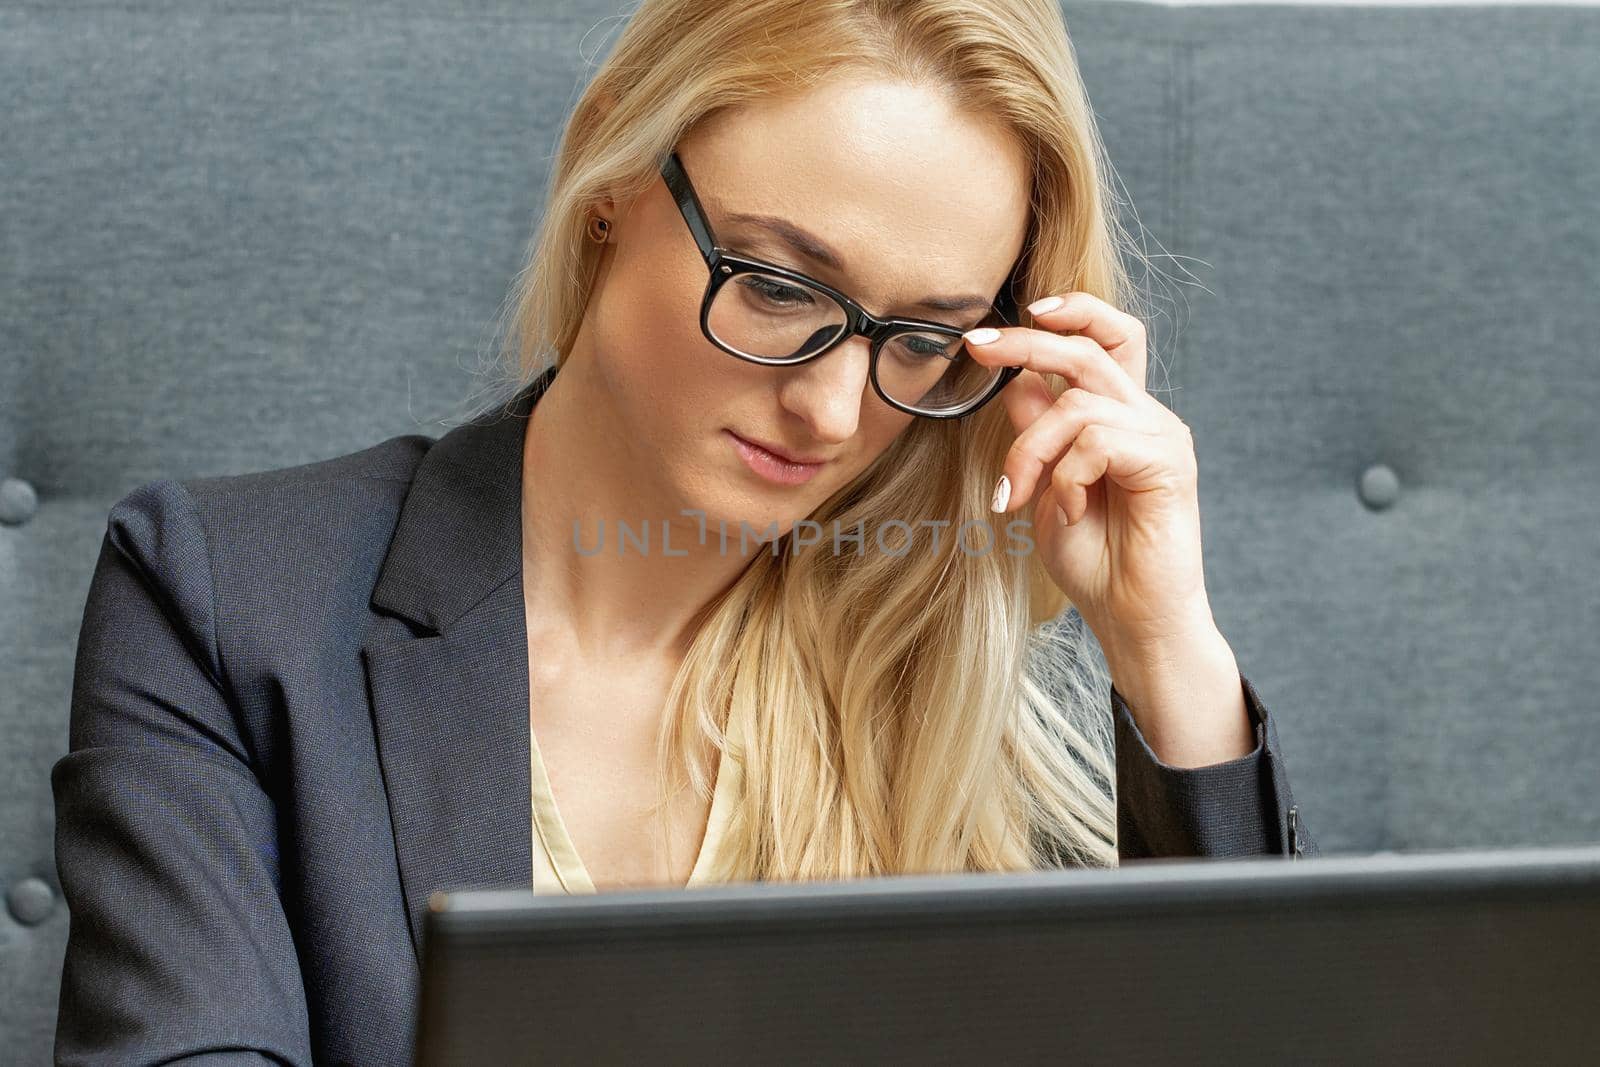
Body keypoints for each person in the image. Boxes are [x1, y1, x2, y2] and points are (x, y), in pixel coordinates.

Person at [51, 0, 1317, 1062]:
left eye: (922, 338)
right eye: (775, 285)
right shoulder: (225, 597)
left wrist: (1165, 654)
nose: (832, 409)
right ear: (612, 177)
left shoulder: (935, 691)